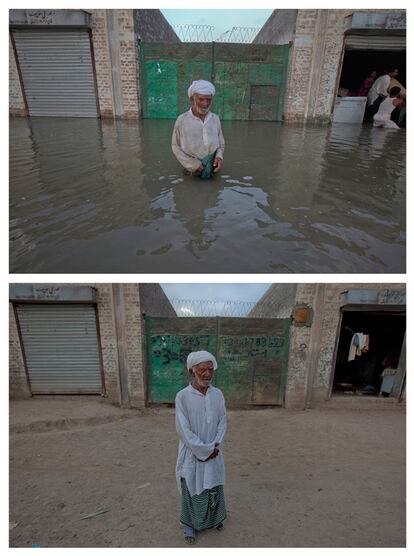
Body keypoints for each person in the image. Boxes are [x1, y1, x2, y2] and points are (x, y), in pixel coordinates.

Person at [175, 351, 227, 544]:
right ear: (192, 371)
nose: (207, 374)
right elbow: (183, 429)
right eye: (202, 370)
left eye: (210, 370)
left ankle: (215, 519)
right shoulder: (182, 397)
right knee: (192, 487)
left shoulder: (217, 394)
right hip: (192, 453)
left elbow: (223, 421)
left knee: (213, 485)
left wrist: (215, 446)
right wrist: (203, 450)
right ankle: (190, 525)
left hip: (214, 451)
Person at [171, 80, 225, 179]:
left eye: (209, 100)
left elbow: (221, 143)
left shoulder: (215, 119)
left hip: (213, 169)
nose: (205, 104)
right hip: (192, 171)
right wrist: (193, 165)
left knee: (213, 193)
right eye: (201, 99)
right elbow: (175, 146)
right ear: (192, 99)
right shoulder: (182, 120)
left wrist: (219, 157)